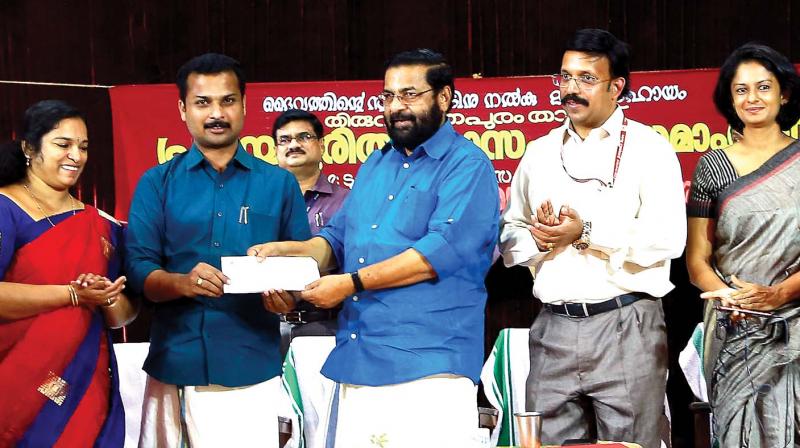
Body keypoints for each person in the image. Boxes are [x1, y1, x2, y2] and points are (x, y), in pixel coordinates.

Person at [250, 48, 499, 447]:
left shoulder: (467, 165)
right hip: (361, 355)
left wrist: (350, 285)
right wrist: (289, 254)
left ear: (445, 97)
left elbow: (439, 252)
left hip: (429, 362)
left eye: (410, 94)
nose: (396, 107)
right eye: (388, 96)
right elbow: (336, 239)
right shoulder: (375, 165)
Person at [499, 29, 686, 447]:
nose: (570, 89)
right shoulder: (539, 152)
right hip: (553, 327)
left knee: (631, 442)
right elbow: (510, 234)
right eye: (564, 77)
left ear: (616, 87)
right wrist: (542, 241)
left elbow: (668, 238)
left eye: (586, 79)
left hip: (626, 323)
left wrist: (585, 233)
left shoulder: (650, 148)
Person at [125, 53, 310, 447]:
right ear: (183, 109)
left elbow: (300, 267)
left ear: (244, 104)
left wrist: (286, 299)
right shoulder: (157, 183)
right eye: (203, 102)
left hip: (249, 364)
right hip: (175, 360)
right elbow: (139, 268)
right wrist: (180, 283)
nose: (216, 113)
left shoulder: (278, 185)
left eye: (227, 101)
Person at [0, 99, 137, 447]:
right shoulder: (6, 209)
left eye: (84, 146)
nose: (76, 156)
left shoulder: (100, 225)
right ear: (30, 148)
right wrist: (72, 294)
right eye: (63, 144)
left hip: (88, 380)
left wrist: (106, 295)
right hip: (17, 382)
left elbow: (123, 315)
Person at [686, 43, 800, 446]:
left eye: (764, 87)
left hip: (796, 323)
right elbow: (697, 256)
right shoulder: (712, 166)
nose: (752, 98)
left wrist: (780, 293)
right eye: (741, 89)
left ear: (784, 93)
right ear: (729, 99)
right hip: (735, 327)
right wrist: (729, 296)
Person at [273, 109, 348, 339]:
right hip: (266, 328)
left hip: (327, 326)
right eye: (284, 140)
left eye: (304, 137)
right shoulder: (260, 203)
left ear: (322, 145)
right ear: (276, 149)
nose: (293, 144)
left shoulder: (347, 201)